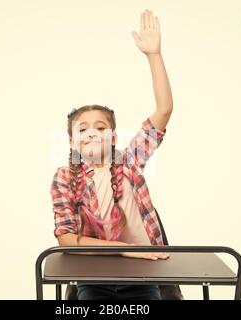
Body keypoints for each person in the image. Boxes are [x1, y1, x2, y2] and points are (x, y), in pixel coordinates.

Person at [50, 9, 173, 300]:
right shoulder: (64, 178)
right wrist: (125, 249)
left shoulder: (129, 162)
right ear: (72, 142)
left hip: (144, 279)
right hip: (93, 279)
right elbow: (67, 239)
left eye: (100, 127)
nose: (91, 133)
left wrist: (154, 55)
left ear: (114, 137)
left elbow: (164, 111)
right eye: (82, 130)